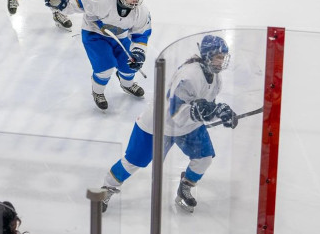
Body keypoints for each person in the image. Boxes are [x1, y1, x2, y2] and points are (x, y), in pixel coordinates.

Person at [99, 35, 238, 213]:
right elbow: (176, 112)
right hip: (158, 125)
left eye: (223, 57)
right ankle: (106, 188)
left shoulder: (215, 78)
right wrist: (212, 111)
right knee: (133, 162)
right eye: (219, 56)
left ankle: (185, 186)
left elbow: (204, 105)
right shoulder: (189, 76)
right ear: (208, 55)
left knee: (204, 159)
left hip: (188, 126)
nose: (222, 61)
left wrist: (220, 112)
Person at [44, 0, 150, 109]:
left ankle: (127, 85)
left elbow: (141, 34)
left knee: (129, 65)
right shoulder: (103, 0)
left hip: (120, 37)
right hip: (94, 34)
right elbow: (79, 2)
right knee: (105, 68)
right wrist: (63, 4)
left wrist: (139, 53)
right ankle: (98, 92)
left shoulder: (141, 12)